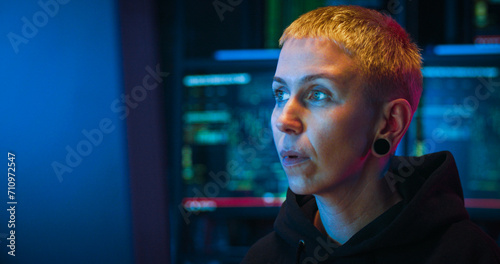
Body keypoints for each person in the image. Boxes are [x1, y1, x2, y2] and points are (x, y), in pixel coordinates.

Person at [241, 5, 500, 264]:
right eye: (280, 94)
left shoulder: (470, 255)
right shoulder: (264, 257)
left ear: (389, 122)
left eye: (318, 94)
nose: (284, 120)